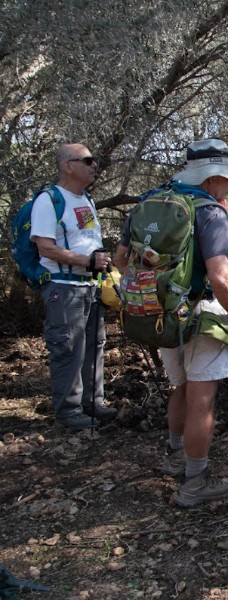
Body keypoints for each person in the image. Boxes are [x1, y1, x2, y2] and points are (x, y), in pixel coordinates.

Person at [113, 138, 228, 507]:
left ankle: (175, 456)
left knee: (181, 387)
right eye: (227, 179)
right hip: (201, 314)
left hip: (160, 314)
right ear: (212, 179)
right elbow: (221, 278)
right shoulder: (209, 211)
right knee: (202, 398)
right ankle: (195, 481)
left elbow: (120, 260)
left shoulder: (150, 201)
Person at [31, 144, 118, 432]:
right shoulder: (49, 200)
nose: (94, 165)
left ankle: (93, 402)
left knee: (94, 345)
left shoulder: (86, 199)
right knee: (68, 346)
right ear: (67, 166)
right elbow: (45, 247)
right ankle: (68, 412)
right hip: (64, 286)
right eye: (87, 160)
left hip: (90, 285)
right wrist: (86, 260)